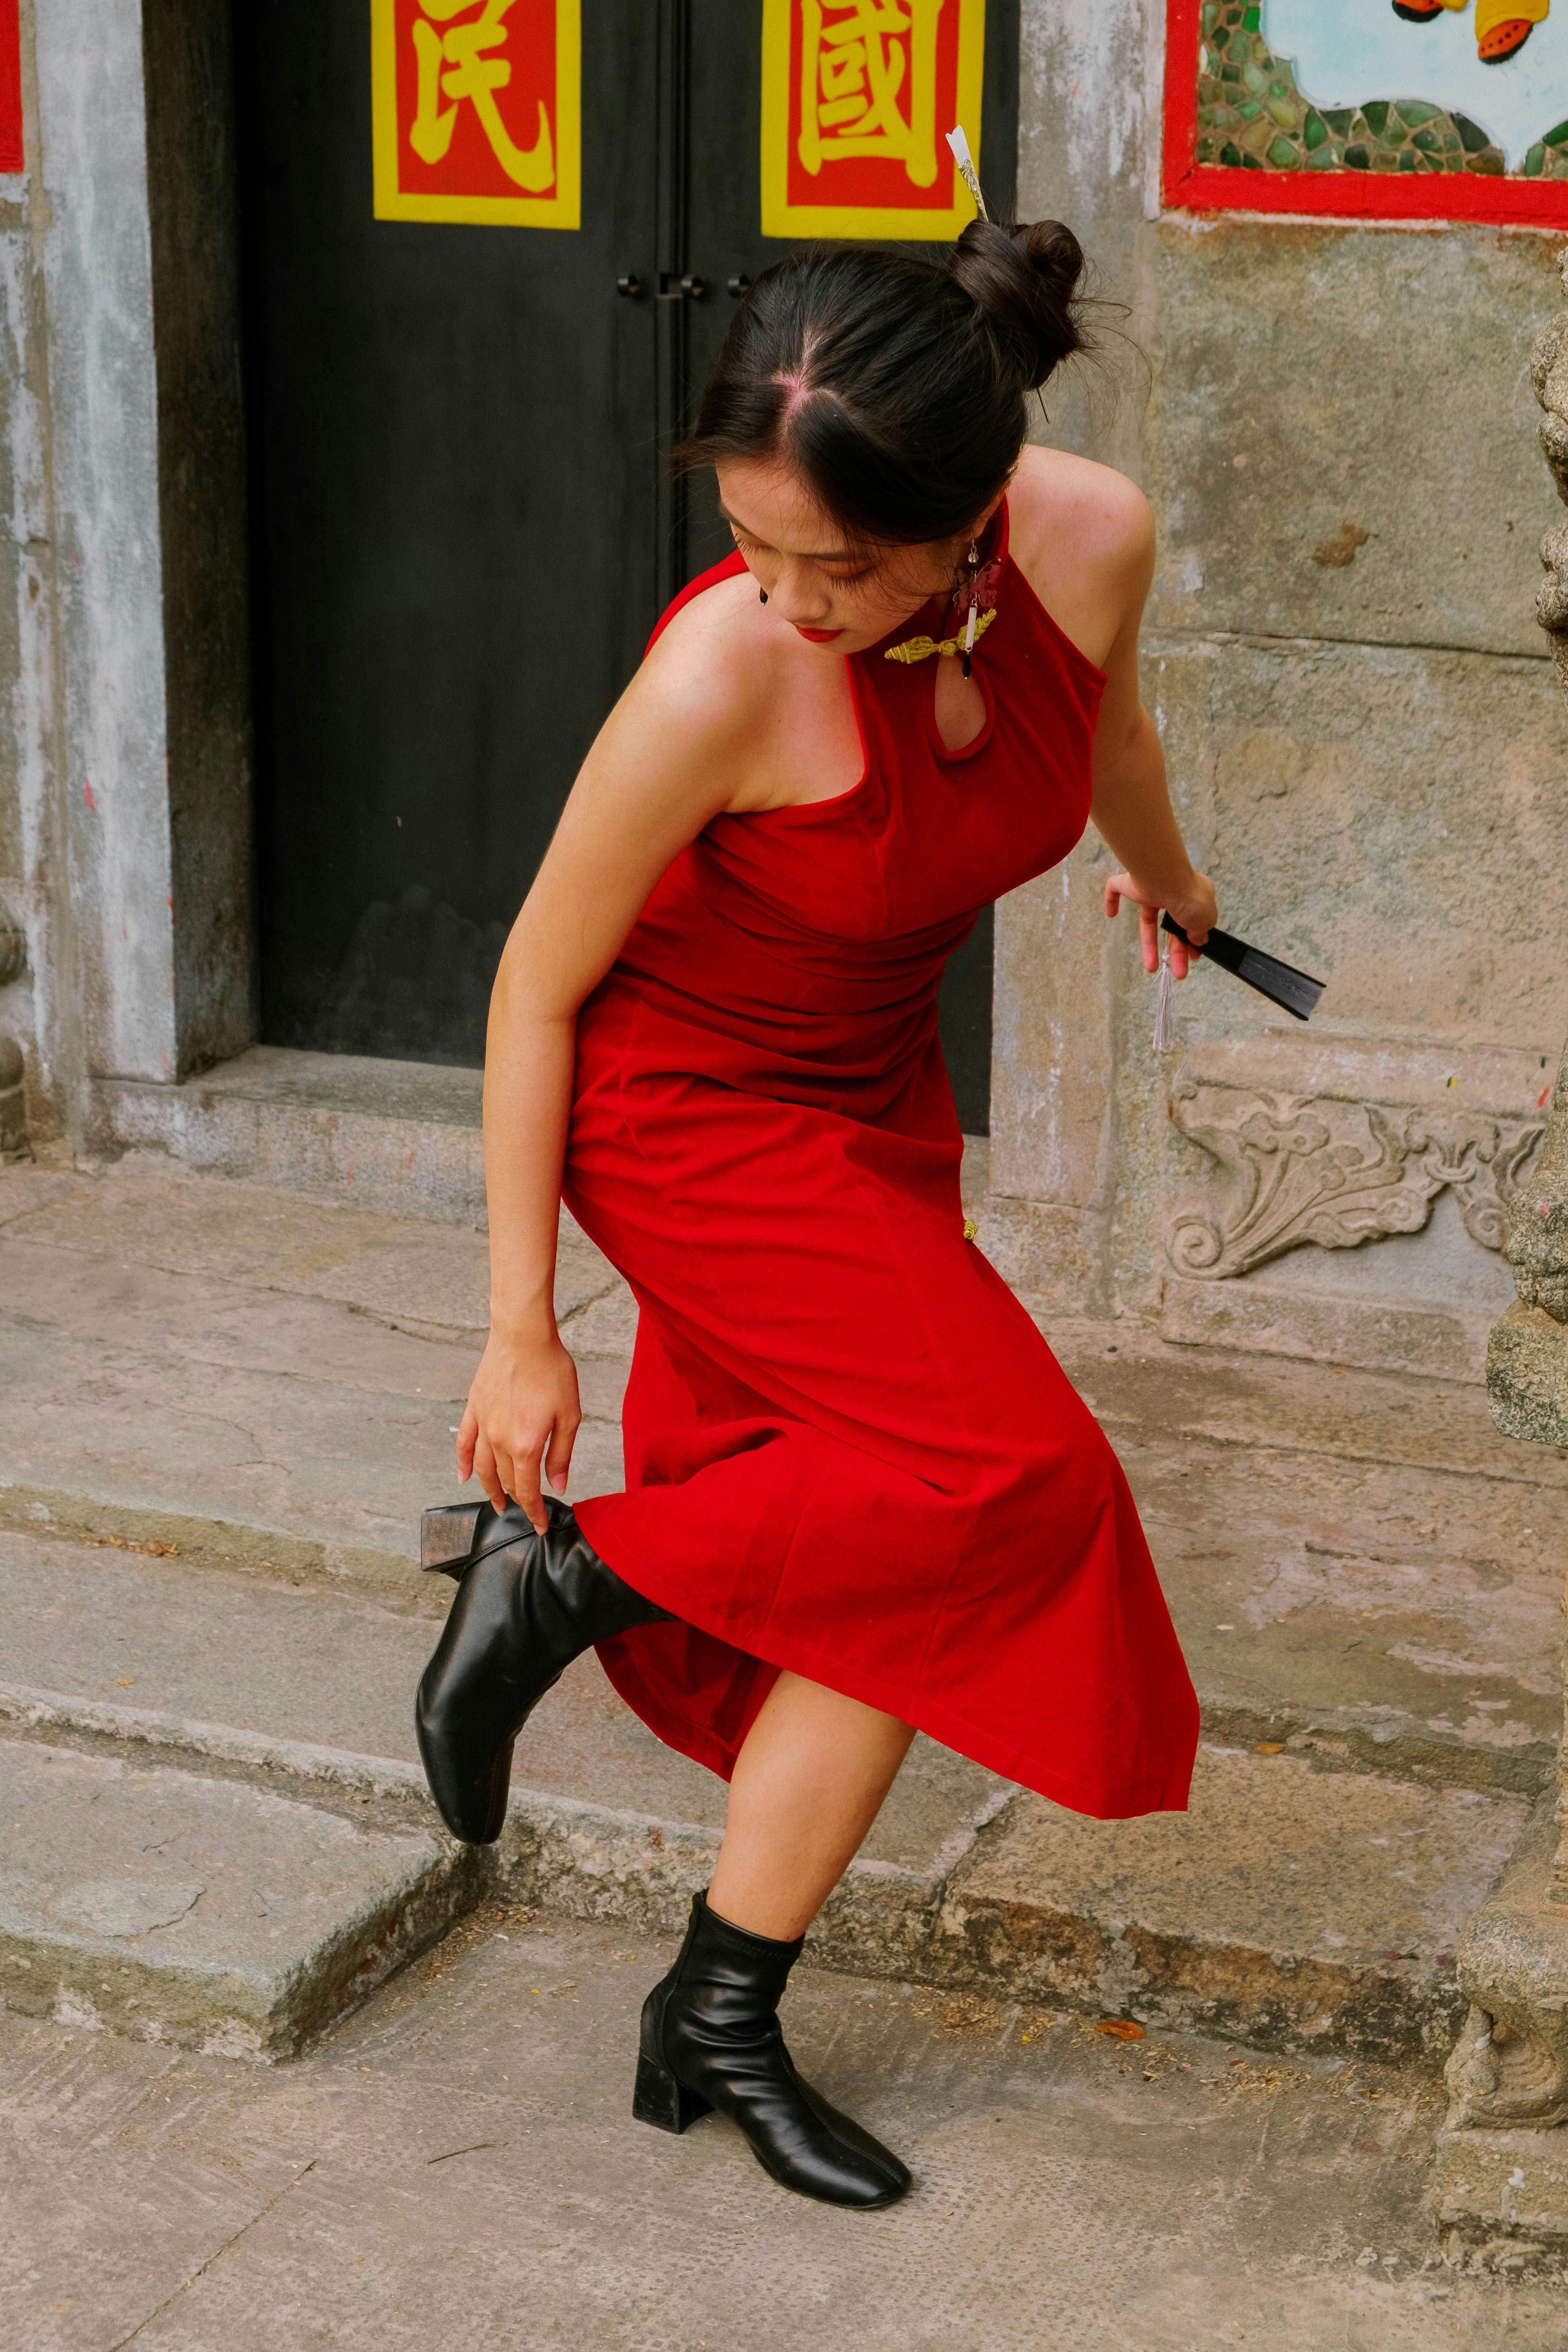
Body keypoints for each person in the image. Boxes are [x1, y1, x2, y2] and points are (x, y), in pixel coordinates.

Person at [414, 220, 1213, 2212]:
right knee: (1021, 1484)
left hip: (873, 1101)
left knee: (885, 1559)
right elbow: (532, 984)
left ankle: (717, 2010)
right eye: (756, 540)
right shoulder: (723, 671)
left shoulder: (1089, 534)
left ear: (973, 524)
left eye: (839, 565)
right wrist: (527, 1325)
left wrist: (1172, 882)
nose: (786, 593)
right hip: (686, 1117)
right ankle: (574, 1573)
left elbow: (1102, 726)